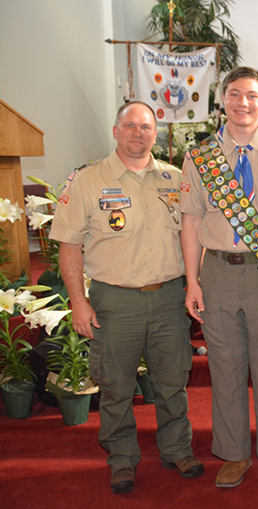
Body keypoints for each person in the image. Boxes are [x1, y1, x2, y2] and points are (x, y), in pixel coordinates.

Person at [50, 101, 203, 495]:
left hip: (169, 297)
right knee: (116, 387)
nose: (139, 133)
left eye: (146, 127)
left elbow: (195, 234)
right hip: (115, 303)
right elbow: (69, 245)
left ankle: (177, 448)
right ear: (116, 131)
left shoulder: (175, 178)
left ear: (157, 133)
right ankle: (121, 459)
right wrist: (77, 301)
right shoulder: (87, 180)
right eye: (130, 126)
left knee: (173, 382)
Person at [180, 66, 258, 489]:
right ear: (224, 100)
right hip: (215, 271)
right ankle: (233, 453)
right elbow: (191, 222)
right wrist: (193, 281)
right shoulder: (201, 156)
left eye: (251, 95)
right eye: (234, 94)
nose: (242, 103)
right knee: (225, 365)